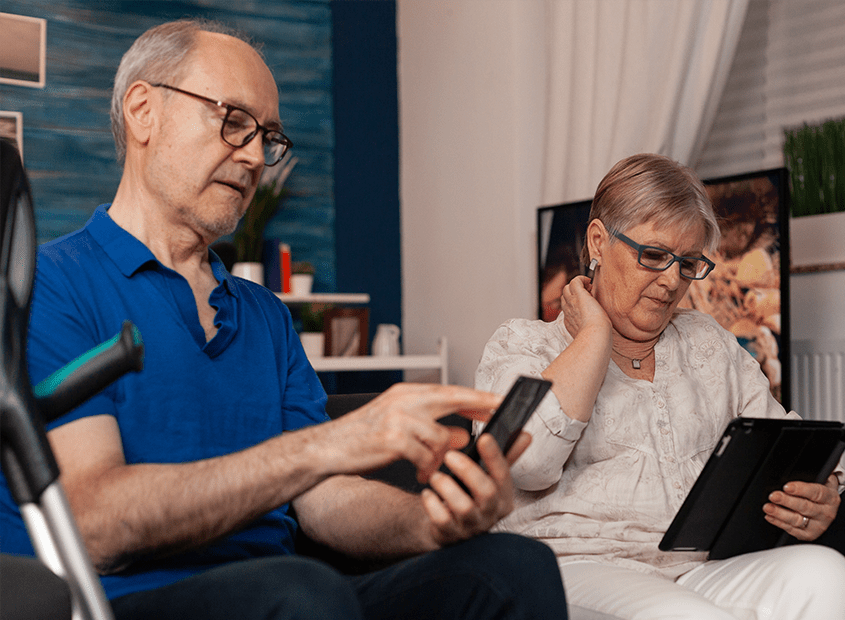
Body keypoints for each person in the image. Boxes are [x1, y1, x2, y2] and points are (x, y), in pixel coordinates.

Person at [0, 19, 567, 620]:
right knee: (298, 592)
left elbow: (322, 500)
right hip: (125, 602)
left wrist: (431, 520)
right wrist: (327, 444)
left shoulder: (265, 317)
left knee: (512, 567)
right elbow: (93, 525)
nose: (253, 156)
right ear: (144, 110)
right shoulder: (49, 286)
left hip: (290, 594)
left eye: (266, 136)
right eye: (233, 120)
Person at [475, 153, 845, 620]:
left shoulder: (708, 342)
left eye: (688, 264)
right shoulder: (521, 345)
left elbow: (787, 444)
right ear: (598, 242)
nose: (671, 281)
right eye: (653, 256)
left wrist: (819, 492)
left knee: (830, 580)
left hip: (699, 568)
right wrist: (594, 335)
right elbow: (525, 464)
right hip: (572, 568)